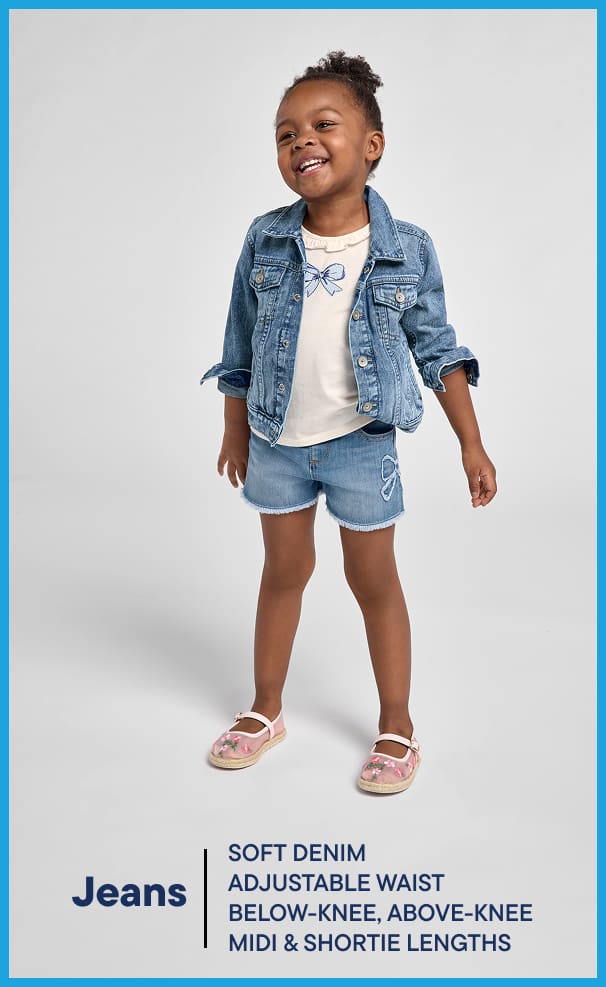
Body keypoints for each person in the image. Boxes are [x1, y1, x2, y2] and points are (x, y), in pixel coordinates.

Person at [200, 51, 497, 794]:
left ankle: (397, 723)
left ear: (372, 145)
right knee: (284, 571)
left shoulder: (407, 249)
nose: (301, 141)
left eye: (322, 125)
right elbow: (238, 343)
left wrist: (472, 441)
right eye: (284, 133)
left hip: (362, 446)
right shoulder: (265, 240)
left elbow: (438, 350)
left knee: (373, 580)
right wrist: (235, 428)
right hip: (275, 441)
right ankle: (266, 708)